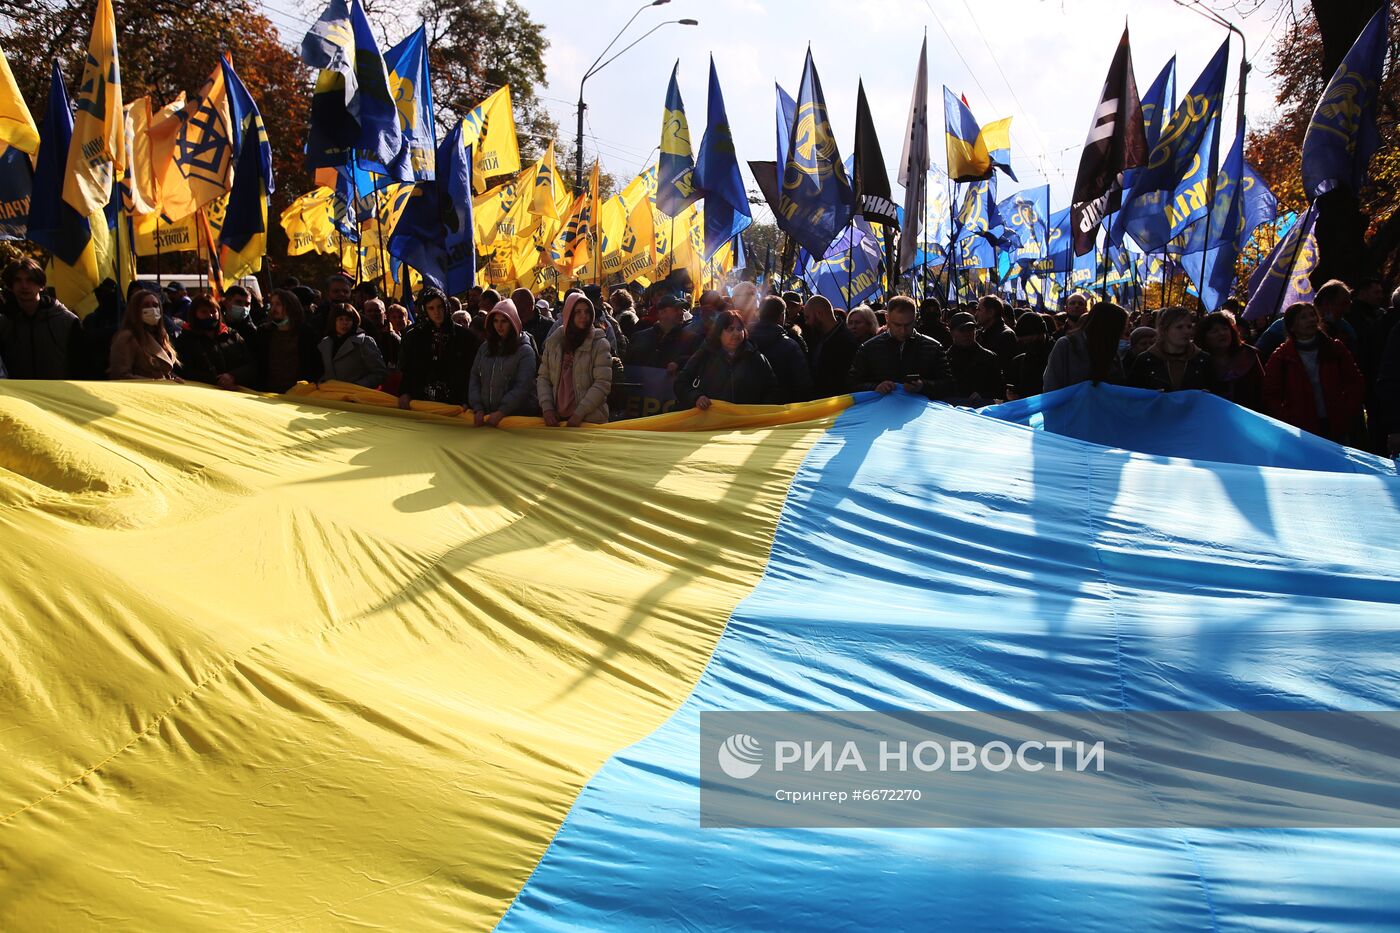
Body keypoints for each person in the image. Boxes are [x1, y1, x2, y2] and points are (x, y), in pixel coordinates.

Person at [1263, 301, 1365, 443]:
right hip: (1301, 431)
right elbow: (1271, 393)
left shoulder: (1335, 348)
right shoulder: (1282, 357)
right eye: (1303, 317)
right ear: (1292, 326)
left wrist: (1346, 411)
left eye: (1312, 315)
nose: (1310, 320)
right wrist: (1288, 419)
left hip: (1336, 425)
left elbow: (1354, 381)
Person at [847, 295, 955, 401]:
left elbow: (948, 385)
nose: (903, 330)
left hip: (921, 411)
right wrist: (875, 387)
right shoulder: (868, 348)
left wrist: (923, 386)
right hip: (881, 410)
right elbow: (852, 384)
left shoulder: (934, 348)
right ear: (887, 318)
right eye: (897, 325)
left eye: (908, 325)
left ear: (915, 318)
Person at [674, 309, 781, 409]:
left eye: (739, 329)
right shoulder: (704, 355)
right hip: (712, 423)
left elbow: (772, 389)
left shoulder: (756, 357)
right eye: (730, 329)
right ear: (719, 332)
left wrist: (759, 410)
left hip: (747, 424)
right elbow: (681, 383)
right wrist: (696, 397)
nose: (736, 333)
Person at [537, 293, 613, 426]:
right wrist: (547, 408)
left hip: (589, 420)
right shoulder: (554, 342)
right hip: (557, 419)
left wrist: (580, 413)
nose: (583, 316)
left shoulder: (599, 344)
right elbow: (544, 378)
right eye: (577, 312)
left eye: (587, 312)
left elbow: (602, 383)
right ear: (568, 314)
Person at [0, 258, 81, 379]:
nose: (24, 286)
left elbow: (81, 365)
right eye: (18, 280)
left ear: (41, 285)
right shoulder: (5, 323)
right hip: (17, 395)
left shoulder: (66, 321)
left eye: (30, 280)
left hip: (58, 394)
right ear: (11, 286)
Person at [397, 286, 476, 406]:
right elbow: (409, 369)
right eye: (431, 308)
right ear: (425, 310)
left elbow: (470, 372)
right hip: (421, 401)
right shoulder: (414, 336)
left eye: (440, 307)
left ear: (446, 306)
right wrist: (405, 393)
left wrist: (466, 400)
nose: (436, 312)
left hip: (455, 402)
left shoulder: (464, 336)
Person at [469, 299, 538, 425]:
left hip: (516, 420)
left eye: (504, 321)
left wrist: (502, 411)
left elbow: (523, 386)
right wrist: (477, 408)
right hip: (487, 417)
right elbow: (474, 377)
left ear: (513, 322)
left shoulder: (525, 351)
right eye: (495, 321)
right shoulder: (485, 348)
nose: (499, 326)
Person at [1255, 279, 1358, 362]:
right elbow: (1258, 356)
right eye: (1343, 304)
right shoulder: (1280, 328)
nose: (1348, 310)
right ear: (1327, 303)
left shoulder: (1345, 329)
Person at [1042, 301, 1129, 392]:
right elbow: (1052, 385)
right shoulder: (1066, 345)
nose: (1121, 335)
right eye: (1119, 329)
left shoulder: (1112, 351)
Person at [175, 295, 257, 388]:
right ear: (194, 314)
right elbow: (182, 370)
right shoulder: (185, 340)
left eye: (213, 311)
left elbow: (250, 365)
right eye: (204, 312)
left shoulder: (232, 335)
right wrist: (216, 380)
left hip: (236, 392)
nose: (210, 315)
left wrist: (233, 376)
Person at [1130, 305, 1213, 392]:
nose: (1187, 331)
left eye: (1189, 326)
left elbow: (1217, 395)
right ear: (1164, 330)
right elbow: (1133, 397)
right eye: (1179, 327)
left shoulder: (1203, 360)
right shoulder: (1145, 360)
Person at [253, 289, 321, 392]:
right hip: (268, 392)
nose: (274, 308)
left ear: (291, 307)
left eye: (278, 304)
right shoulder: (264, 332)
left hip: (298, 393)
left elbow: (314, 366)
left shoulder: (307, 334)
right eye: (272, 304)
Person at [750, 295, 814, 403]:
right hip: (783, 409)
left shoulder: (744, 341)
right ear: (782, 316)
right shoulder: (791, 346)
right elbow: (802, 384)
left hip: (749, 409)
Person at [108, 289, 181, 382]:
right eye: (146, 305)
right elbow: (120, 375)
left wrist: (173, 379)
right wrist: (156, 382)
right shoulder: (127, 337)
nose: (152, 309)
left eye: (155, 305)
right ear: (135, 310)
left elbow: (164, 370)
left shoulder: (162, 336)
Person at [1198, 310, 1263, 410]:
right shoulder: (1199, 362)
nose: (1221, 333)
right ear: (1204, 337)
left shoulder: (1249, 355)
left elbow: (1262, 391)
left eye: (1225, 329)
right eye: (1214, 331)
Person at [319, 303, 388, 388]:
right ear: (334, 321)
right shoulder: (326, 343)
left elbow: (380, 373)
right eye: (340, 319)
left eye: (348, 319)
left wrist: (357, 385)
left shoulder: (364, 342)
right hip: (330, 394)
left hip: (355, 395)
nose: (344, 323)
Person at [805, 295, 861, 399]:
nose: (807, 322)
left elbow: (847, 380)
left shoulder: (846, 341)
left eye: (808, 317)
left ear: (819, 314)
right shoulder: (818, 336)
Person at [627, 294, 700, 373]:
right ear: (662, 313)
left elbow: (699, 363)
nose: (681, 313)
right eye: (676, 309)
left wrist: (680, 363)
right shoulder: (639, 337)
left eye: (682, 309)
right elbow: (628, 366)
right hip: (642, 384)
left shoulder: (691, 339)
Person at [943, 312, 1003, 406]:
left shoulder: (989, 358)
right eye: (962, 330)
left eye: (970, 329)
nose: (967, 334)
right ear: (951, 332)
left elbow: (999, 389)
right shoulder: (944, 360)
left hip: (983, 413)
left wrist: (983, 395)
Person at [1006, 311, 1053, 400]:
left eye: (1030, 341)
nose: (1028, 346)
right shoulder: (1019, 361)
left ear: (1042, 334)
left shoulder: (1056, 356)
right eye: (1023, 342)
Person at [974, 295, 1018, 375]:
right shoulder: (979, 333)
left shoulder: (1006, 336)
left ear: (991, 312)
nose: (976, 314)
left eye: (979, 310)